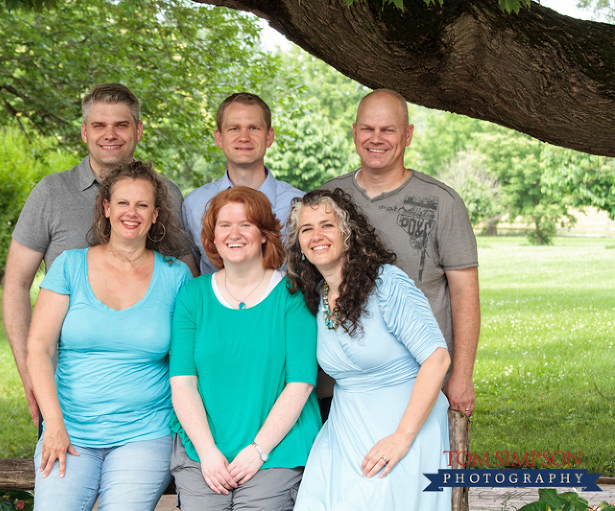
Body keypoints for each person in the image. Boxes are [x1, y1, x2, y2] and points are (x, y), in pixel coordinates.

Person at [3, 83, 197, 431]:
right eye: (99, 125)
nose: (110, 134)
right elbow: (16, 284)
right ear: (84, 132)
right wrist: (30, 371)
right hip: (67, 394)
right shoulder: (51, 193)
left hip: (146, 399)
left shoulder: (165, 193)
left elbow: (188, 285)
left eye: (121, 125)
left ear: (137, 130)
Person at [25, 160, 192, 511]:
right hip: (69, 429)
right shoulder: (69, 265)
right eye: (123, 203)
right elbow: (39, 348)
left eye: (142, 205)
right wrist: (52, 424)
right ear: (106, 207)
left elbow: (187, 363)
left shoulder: (175, 278)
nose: (132, 213)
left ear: (156, 215)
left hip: (145, 433)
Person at [287, 188, 451, 511]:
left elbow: (438, 358)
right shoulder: (314, 297)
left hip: (406, 424)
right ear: (300, 246)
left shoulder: (387, 284)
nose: (317, 236)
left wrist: (400, 439)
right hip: (345, 427)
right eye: (307, 229)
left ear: (349, 233)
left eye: (327, 225)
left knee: (377, 497)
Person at [322, 89, 480, 418]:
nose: (376, 138)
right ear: (354, 132)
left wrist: (462, 375)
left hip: (421, 376)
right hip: (348, 382)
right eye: (367, 128)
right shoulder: (329, 198)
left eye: (388, 129)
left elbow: (465, 292)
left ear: (407, 135)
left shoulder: (441, 203)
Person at [169, 187, 321, 511]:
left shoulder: (292, 295)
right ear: (212, 236)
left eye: (246, 225)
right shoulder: (192, 297)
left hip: (278, 447)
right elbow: (182, 382)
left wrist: (258, 450)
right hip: (204, 448)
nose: (234, 234)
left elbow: (301, 382)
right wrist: (208, 452)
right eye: (224, 225)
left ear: (264, 235)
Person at [182, 92, 303, 275]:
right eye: (234, 128)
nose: (244, 137)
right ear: (219, 138)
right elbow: (193, 273)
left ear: (269, 137)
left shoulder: (299, 203)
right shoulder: (194, 204)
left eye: (254, 128)